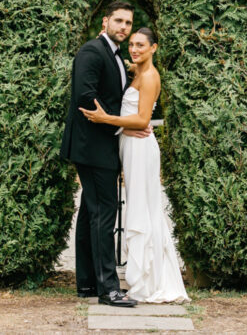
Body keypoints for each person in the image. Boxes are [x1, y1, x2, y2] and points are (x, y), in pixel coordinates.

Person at [80, 27, 190, 304]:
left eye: (141, 45)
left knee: (142, 207)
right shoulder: (135, 71)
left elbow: (142, 121)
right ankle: (143, 277)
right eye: (132, 45)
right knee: (139, 205)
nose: (135, 49)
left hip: (141, 148)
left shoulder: (151, 77)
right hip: (129, 146)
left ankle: (149, 282)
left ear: (154, 48)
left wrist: (107, 120)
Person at [60, 0, 145, 307]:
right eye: (119, 21)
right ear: (106, 21)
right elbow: (85, 96)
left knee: (91, 213)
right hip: (93, 146)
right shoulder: (92, 51)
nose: (124, 27)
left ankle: (87, 284)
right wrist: (121, 126)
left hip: (99, 144)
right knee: (104, 213)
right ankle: (109, 289)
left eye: (128, 22)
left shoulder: (115, 55)